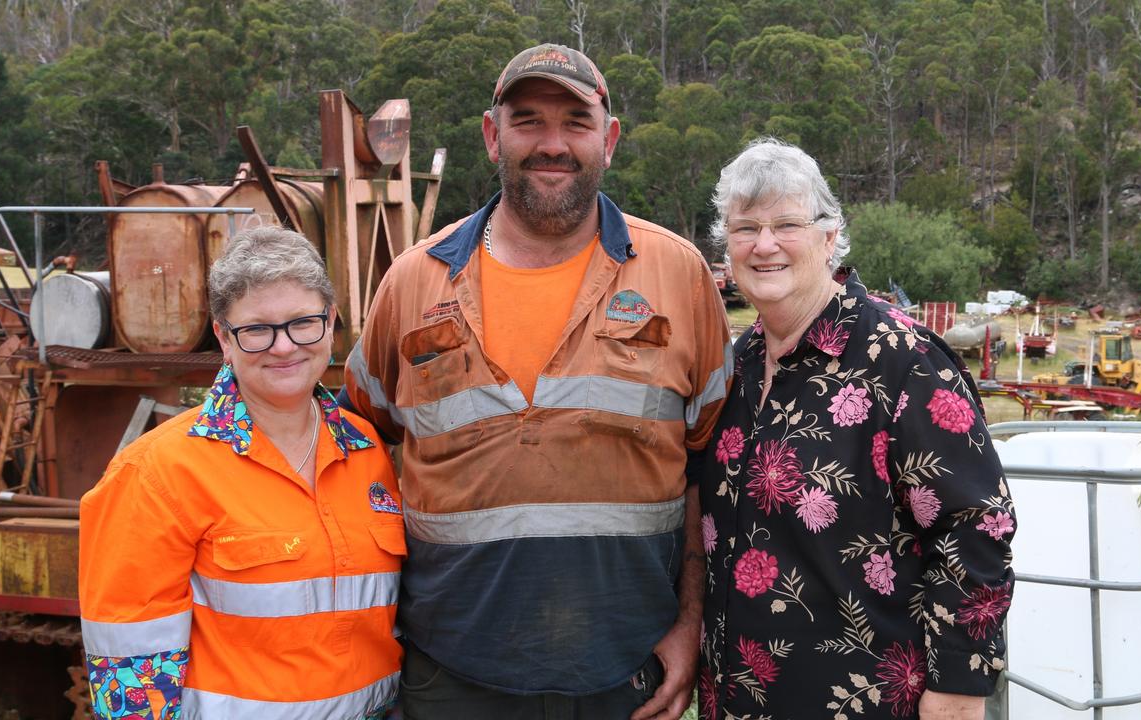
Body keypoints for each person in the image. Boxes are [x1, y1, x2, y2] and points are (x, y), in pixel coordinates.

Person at [340, 43, 732, 720]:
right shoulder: (413, 282)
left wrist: (691, 620)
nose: (553, 144)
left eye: (575, 123)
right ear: (493, 136)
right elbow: (358, 446)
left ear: (608, 139)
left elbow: (709, 468)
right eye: (528, 121)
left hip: (628, 671)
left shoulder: (679, 275)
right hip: (452, 674)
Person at [696, 139, 1015, 720]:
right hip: (737, 700)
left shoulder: (903, 359)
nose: (764, 245)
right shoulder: (735, 366)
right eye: (745, 228)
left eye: (786, 224)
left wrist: (959, 691)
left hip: (863, 700)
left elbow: (975, 527)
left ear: (828, 236)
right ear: (727, 247)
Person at [79, 227, 405, 719]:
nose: (283, 347)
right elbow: (131, 675)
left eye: (303, 322)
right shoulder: (156, 473)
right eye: (256, 329)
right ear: (223, 337)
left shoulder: (367, 453)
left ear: (331, 322)